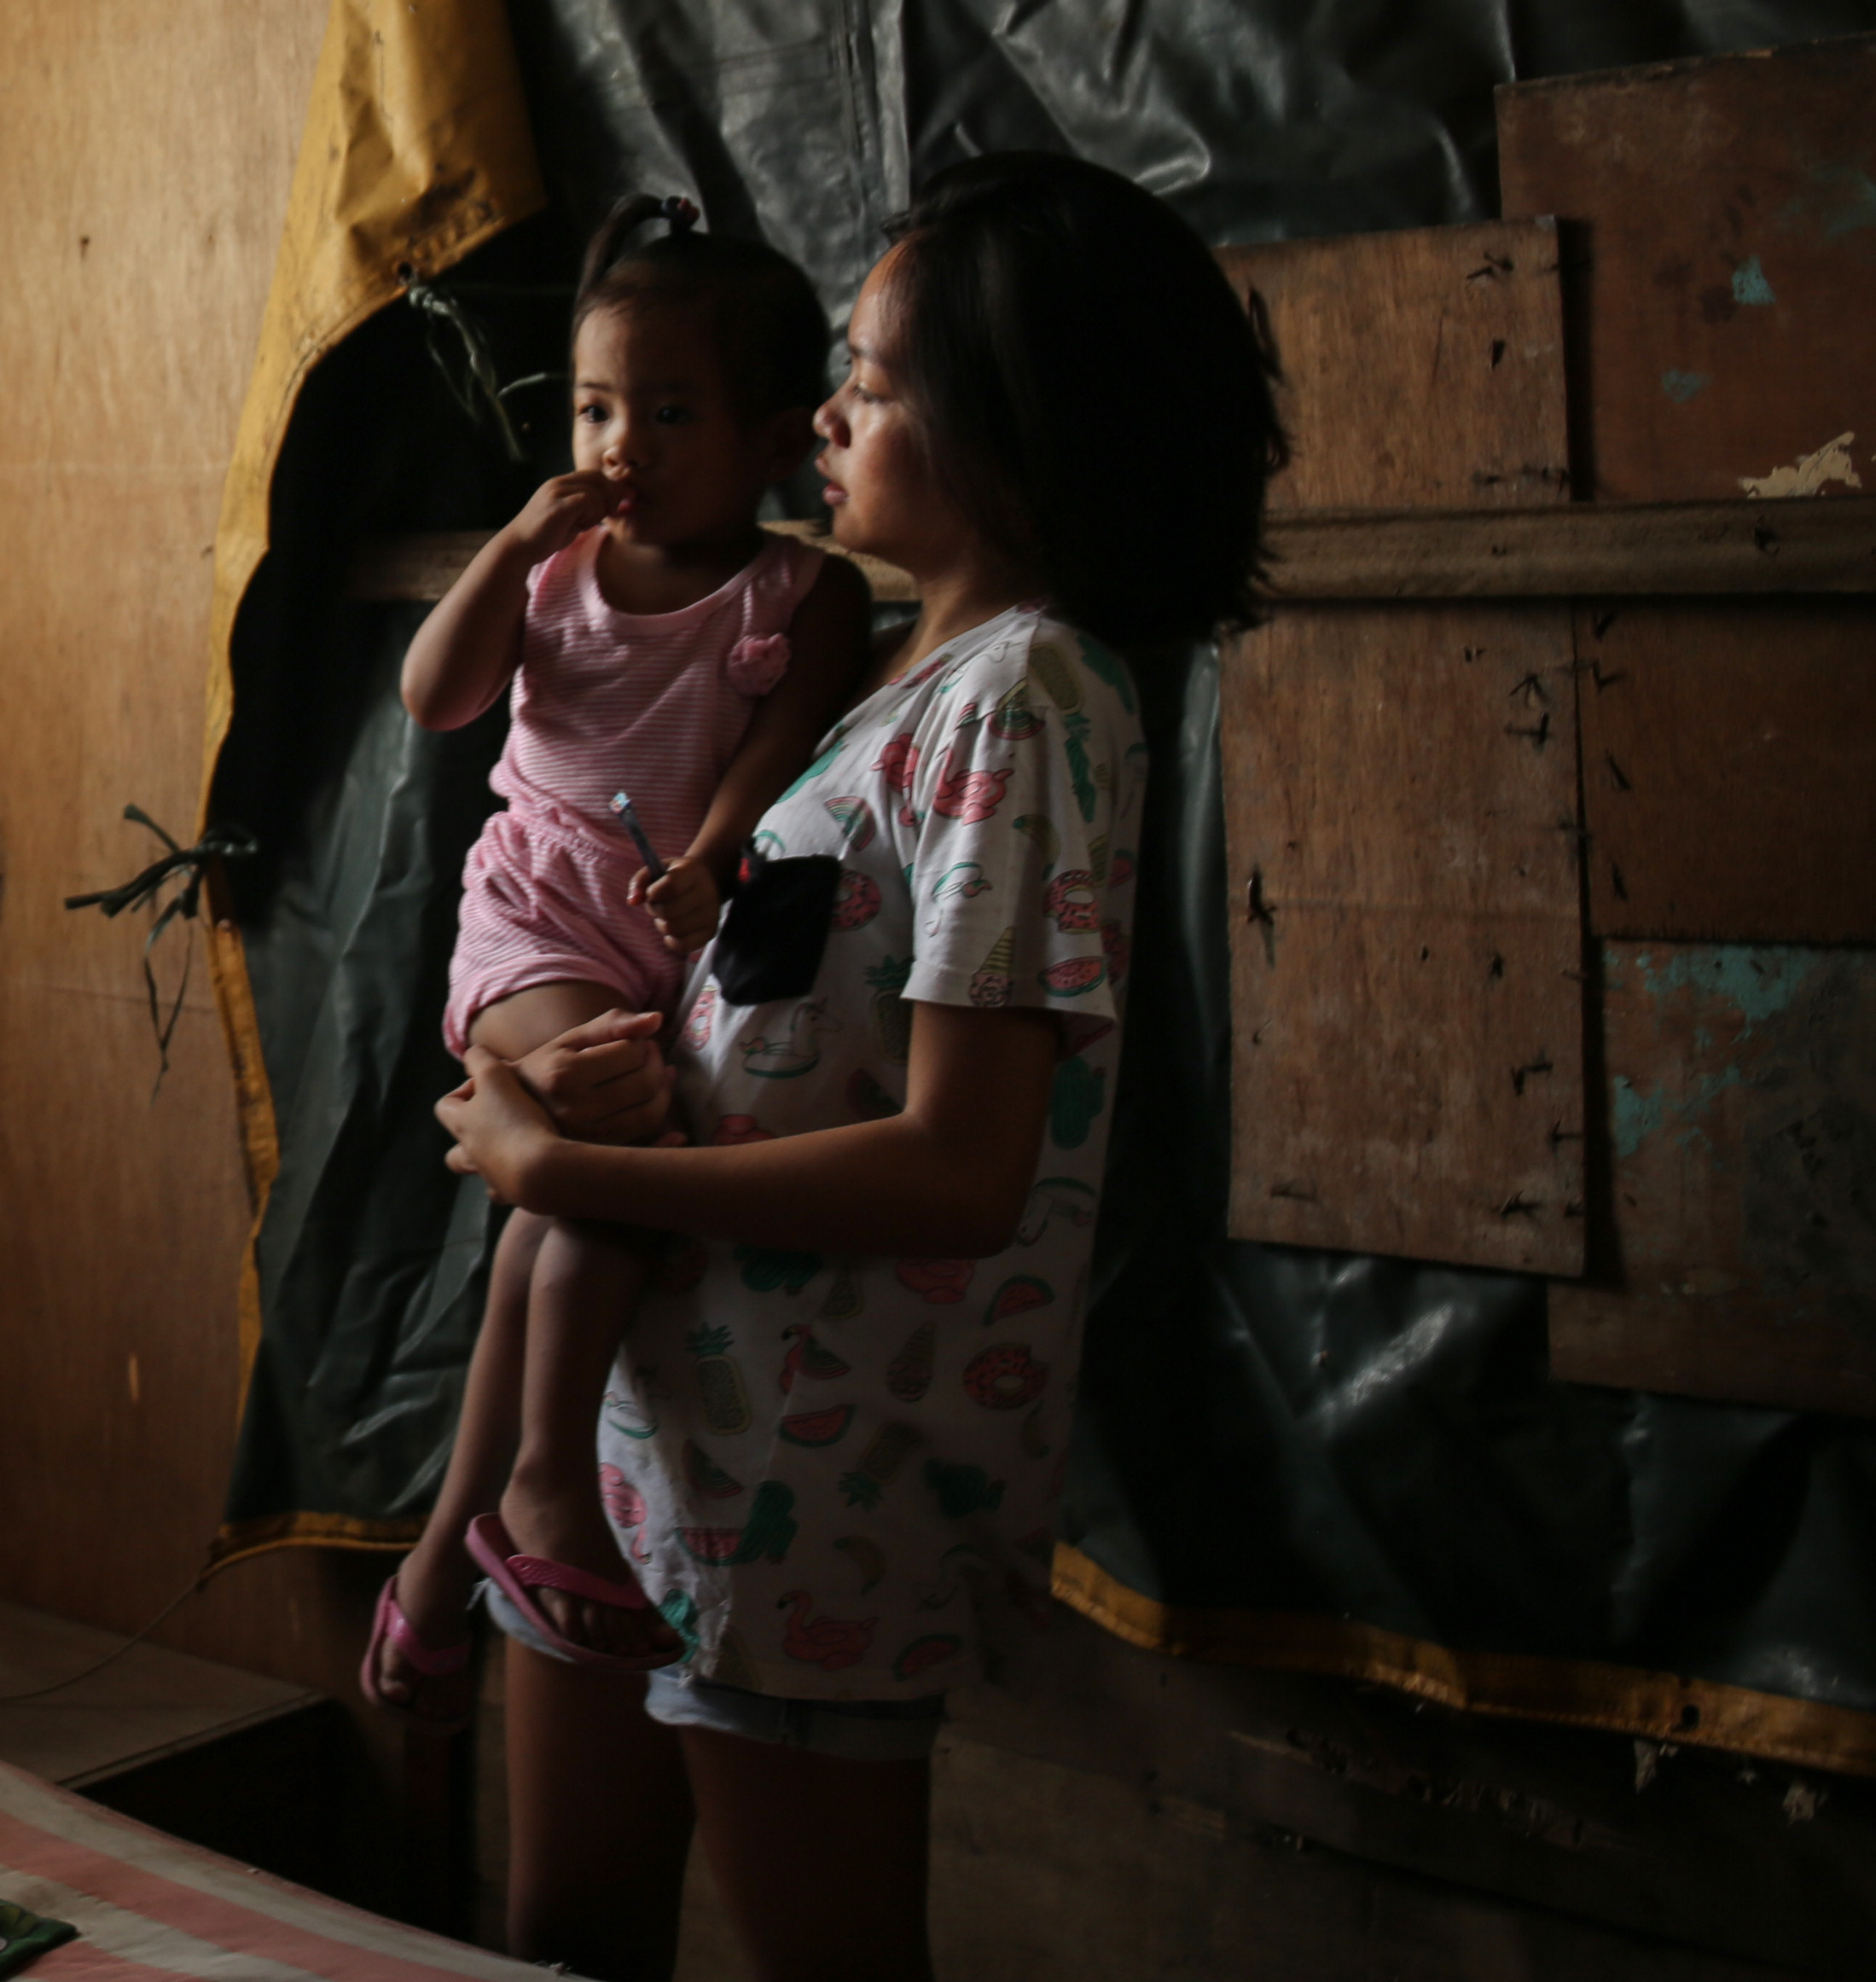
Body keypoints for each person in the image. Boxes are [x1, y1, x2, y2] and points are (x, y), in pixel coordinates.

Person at [433, 151, 1282, 1981]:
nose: (824, 414)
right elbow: (792, 1028)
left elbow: (958, 1168)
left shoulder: (1029, 701)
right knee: (567, 1936)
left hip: (802, 1524)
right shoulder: (899, 687)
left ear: (1007, 421)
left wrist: (571, 1176)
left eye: (876, 382)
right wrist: (597, 1087)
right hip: (660, 1468)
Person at [362, 198, 869, 1717]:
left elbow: (770, 760)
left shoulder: (806, 595)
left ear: (778, 438)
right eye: (595, 406)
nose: (622, 440)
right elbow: (436, 700)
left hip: (664, 935)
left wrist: (712, 857)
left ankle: (448, 1559)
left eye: (669, 409)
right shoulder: (558, 567)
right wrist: (517, 541)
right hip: (532, 922)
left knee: (585, 1186)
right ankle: (545, 1496)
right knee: (617, 1147)